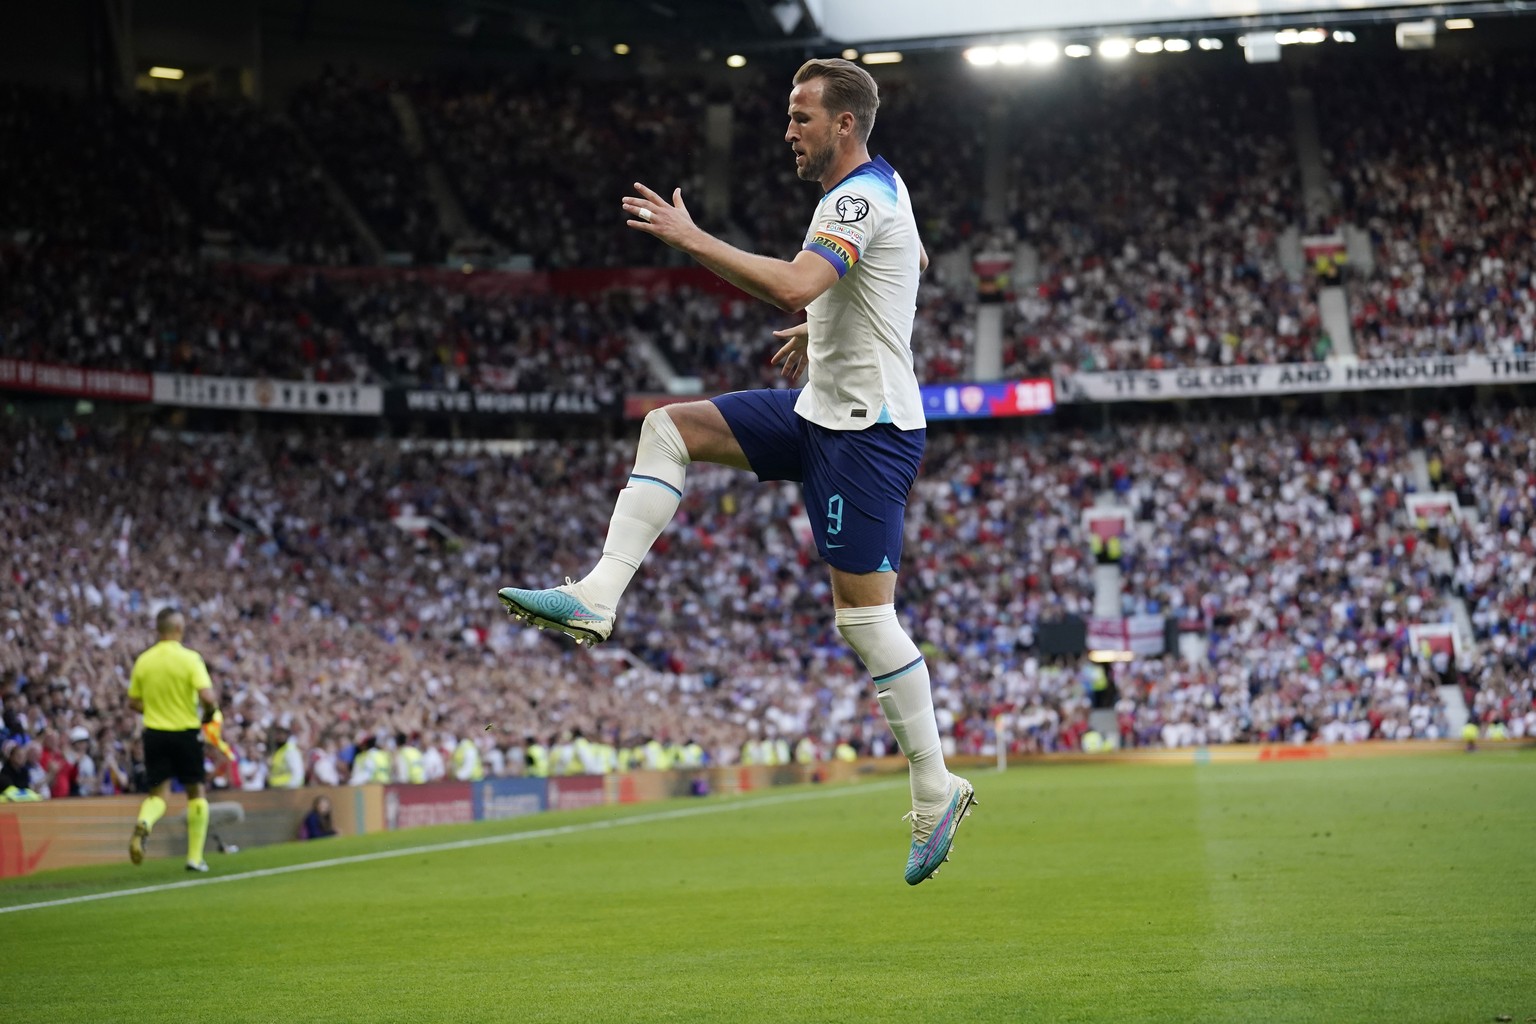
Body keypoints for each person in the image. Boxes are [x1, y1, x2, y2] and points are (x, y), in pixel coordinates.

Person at [497, 58, 975, 885]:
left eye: (801, 116)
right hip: (822, 406)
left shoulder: (857, 198)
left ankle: (937, 785)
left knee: (864, 623)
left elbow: (795, 281)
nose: (788, 130)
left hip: (867, 432)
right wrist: (829, 322)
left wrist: (692, 239)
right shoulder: (878, 190)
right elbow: (913, 266)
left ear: (845, 125)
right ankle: (597, 598)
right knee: (669, 429)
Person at [126, 608, 219, 872]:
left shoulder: (144, 660)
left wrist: (154, 709)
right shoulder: (190, 659)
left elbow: (132, 702)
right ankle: (194, 857)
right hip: (186, 732)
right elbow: (209, 697)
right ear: (179, 629)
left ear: (158, 630)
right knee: (196, 792)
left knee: (158, 794)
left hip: (154, 733)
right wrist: (210, 715)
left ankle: (145, 822)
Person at [267, 723, 304, 790]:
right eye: (277, 734)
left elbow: (297, 775)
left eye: (281, 734)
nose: (278, 737)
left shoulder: (290, 751)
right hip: (278, 789)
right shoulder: (279, 750)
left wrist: (274, 782)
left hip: (288, 789)